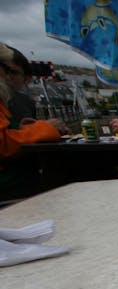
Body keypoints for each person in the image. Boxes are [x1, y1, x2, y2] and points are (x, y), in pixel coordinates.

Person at [1, 42, 67, 200]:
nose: (7, 77)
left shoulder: (17, 100)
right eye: (6, 70)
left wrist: (24, 131)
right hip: (10, 190)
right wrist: (44, 129)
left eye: (12, 72)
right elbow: (3, 143)